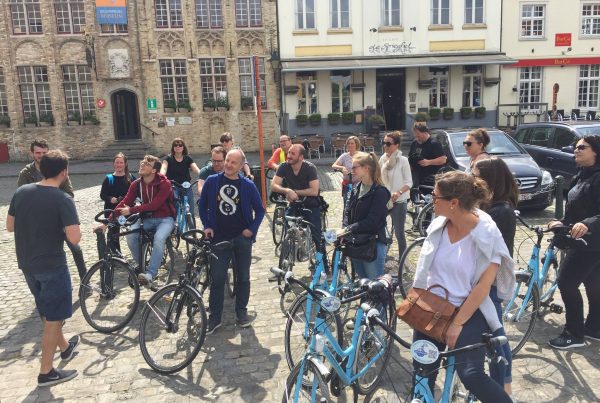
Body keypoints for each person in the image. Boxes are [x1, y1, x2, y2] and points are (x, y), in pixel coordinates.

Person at [411, 171, 514, 403]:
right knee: (421, 371)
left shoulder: (487, 235)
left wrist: (456, 324)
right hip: (434, 306)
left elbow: (483, 286)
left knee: (471, 374)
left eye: (435, 197)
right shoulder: (438, 226)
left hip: (469, 309)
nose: (431, 200)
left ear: (454, 203)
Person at [8, 150, 81, 386]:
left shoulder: (21, 192)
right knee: (54, 318)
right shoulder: (62, 199)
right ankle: (46, 372)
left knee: (48, 312)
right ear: (64, 172)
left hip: (28, 264)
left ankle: (65, 348)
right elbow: (74, 238)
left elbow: (10, 225)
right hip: (52, 265)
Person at [198, 149, 265, 334]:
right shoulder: (212, 181)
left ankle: (241, 312)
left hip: (241, 239)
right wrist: (207, 226)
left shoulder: (247, 185)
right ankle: (215, 318)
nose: (228, 164)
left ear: (241, 166)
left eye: (233, 162)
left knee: (243, 277)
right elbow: (202, 206)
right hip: (219, 239)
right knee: (218, 278)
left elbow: (260, 210)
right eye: (227, 160)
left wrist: (251, 230)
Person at [547, 135, 600, 349]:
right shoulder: (581, 176)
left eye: (582, 147)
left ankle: (573, 334)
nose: (576, 150)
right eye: (575, 147)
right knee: (594, 284)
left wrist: (587, 223)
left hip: (590, 242)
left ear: (596, 152)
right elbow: (576, 209)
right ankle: (594, 328)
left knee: (566, 282)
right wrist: (562, 222)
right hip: (582, 239)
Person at [473, 157, 519, 396]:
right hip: (478, 279)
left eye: (476, 176)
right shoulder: (487, 206)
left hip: (488, 282)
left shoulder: (501, 211)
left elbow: (490, 251)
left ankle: (504, 389)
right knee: (492, 336)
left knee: (496, 337)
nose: (472, 180)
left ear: (490, 180)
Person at [17, 139, 87, 281]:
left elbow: (69, 193)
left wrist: (55, 201)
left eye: (44, 152)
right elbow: (21, 198)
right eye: (38, 153)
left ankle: (85, 278)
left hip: (59, 218)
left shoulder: (58, 169)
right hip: (38, 221)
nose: (41, 155)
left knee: (75, 247)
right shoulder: (26, 173)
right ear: (32, 153)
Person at [113, 155, 175, 287]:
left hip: (165, 219)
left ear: (154, 170)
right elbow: (125, 202)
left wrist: (131, 210)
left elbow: (155, 205)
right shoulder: (136, 184)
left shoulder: (165, 184)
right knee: (131, 235)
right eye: (142, 162)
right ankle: (141, 266)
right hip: (146, 218)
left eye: (147, 164)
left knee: (159, 238)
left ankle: (150, 274)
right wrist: (108, 219)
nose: (142, 164)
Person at [343, 152, 391, 279]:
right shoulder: (356, 188)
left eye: (354, 167)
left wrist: (348, 229)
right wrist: (344, 229)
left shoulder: (380, 192)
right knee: (363, 284)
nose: (352, 171)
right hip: (356, 244)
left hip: (372, 246)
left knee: (374, 284)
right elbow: (347, 212)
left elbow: (372, 221)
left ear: (366, 168)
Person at [271, 144, 321, 248]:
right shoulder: (284, 166)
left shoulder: (310, 168)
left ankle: (322, 257)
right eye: (289, 152)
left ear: (301, 157)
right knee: (288, 229)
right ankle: (288, 252)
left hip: (311, 204)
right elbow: (273, 185)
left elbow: (314, 191)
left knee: (317, 238)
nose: (289, 155)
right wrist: (287, 190)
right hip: (294, 203)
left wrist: (295, 192)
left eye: (293, 153)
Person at [379, 131, 412, 257]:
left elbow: (409, 182)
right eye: (384, 143)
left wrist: (399, 192)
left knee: (399, 233)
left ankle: (402, 259)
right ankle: (381, 254)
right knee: (378, 226)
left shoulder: (403, 161)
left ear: (396, 145)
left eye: (388, 144)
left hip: (399, 201)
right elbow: (379, 179)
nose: (385, 146)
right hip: (384, 200)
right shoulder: (382, 159)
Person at [99, 153, 135, 253]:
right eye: (117, 162)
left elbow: (137, 193)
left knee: (135, 231)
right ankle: (116, 254)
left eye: (121, 163)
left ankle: (137, 252)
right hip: (112, 210)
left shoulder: (131, 178)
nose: (119, 165)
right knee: (114, 233)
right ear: (114, 164)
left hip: (127, 211)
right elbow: (103, 195)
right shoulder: (109, 178)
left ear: (125, 164)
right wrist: (110, 199)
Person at [160, 138, 200, 226]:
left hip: (186, 186)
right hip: (173, 185)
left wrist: (202, 175)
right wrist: (161, 176)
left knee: (191, 209)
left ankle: (192, 231)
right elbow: (164, 168)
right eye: (175, 145)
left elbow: (195, 168)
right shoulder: (168, 158)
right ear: (173, 147)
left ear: (183, 147)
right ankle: (173, 227)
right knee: (174, 207)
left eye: (180, 145)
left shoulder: (187, 158)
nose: (178, 147)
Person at [408, 123, 447, 190]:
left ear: (425, 133)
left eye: (417, 133)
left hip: (429, 180)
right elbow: (410, 156)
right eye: (414, 133)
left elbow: (443, 159)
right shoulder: (414, 143)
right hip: (416, 178)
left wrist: (428, 162)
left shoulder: (434, 143)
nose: (415, 135)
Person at [331, 136, 361, 206]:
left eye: (352, 143)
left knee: (358, 203)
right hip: (348, 184)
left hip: (359, 183)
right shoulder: (344, 156)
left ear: (356, 144)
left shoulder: (360, 156)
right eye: (348, 143)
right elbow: (334, 165)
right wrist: (342, 167)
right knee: (347, 203)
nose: (350, 145)